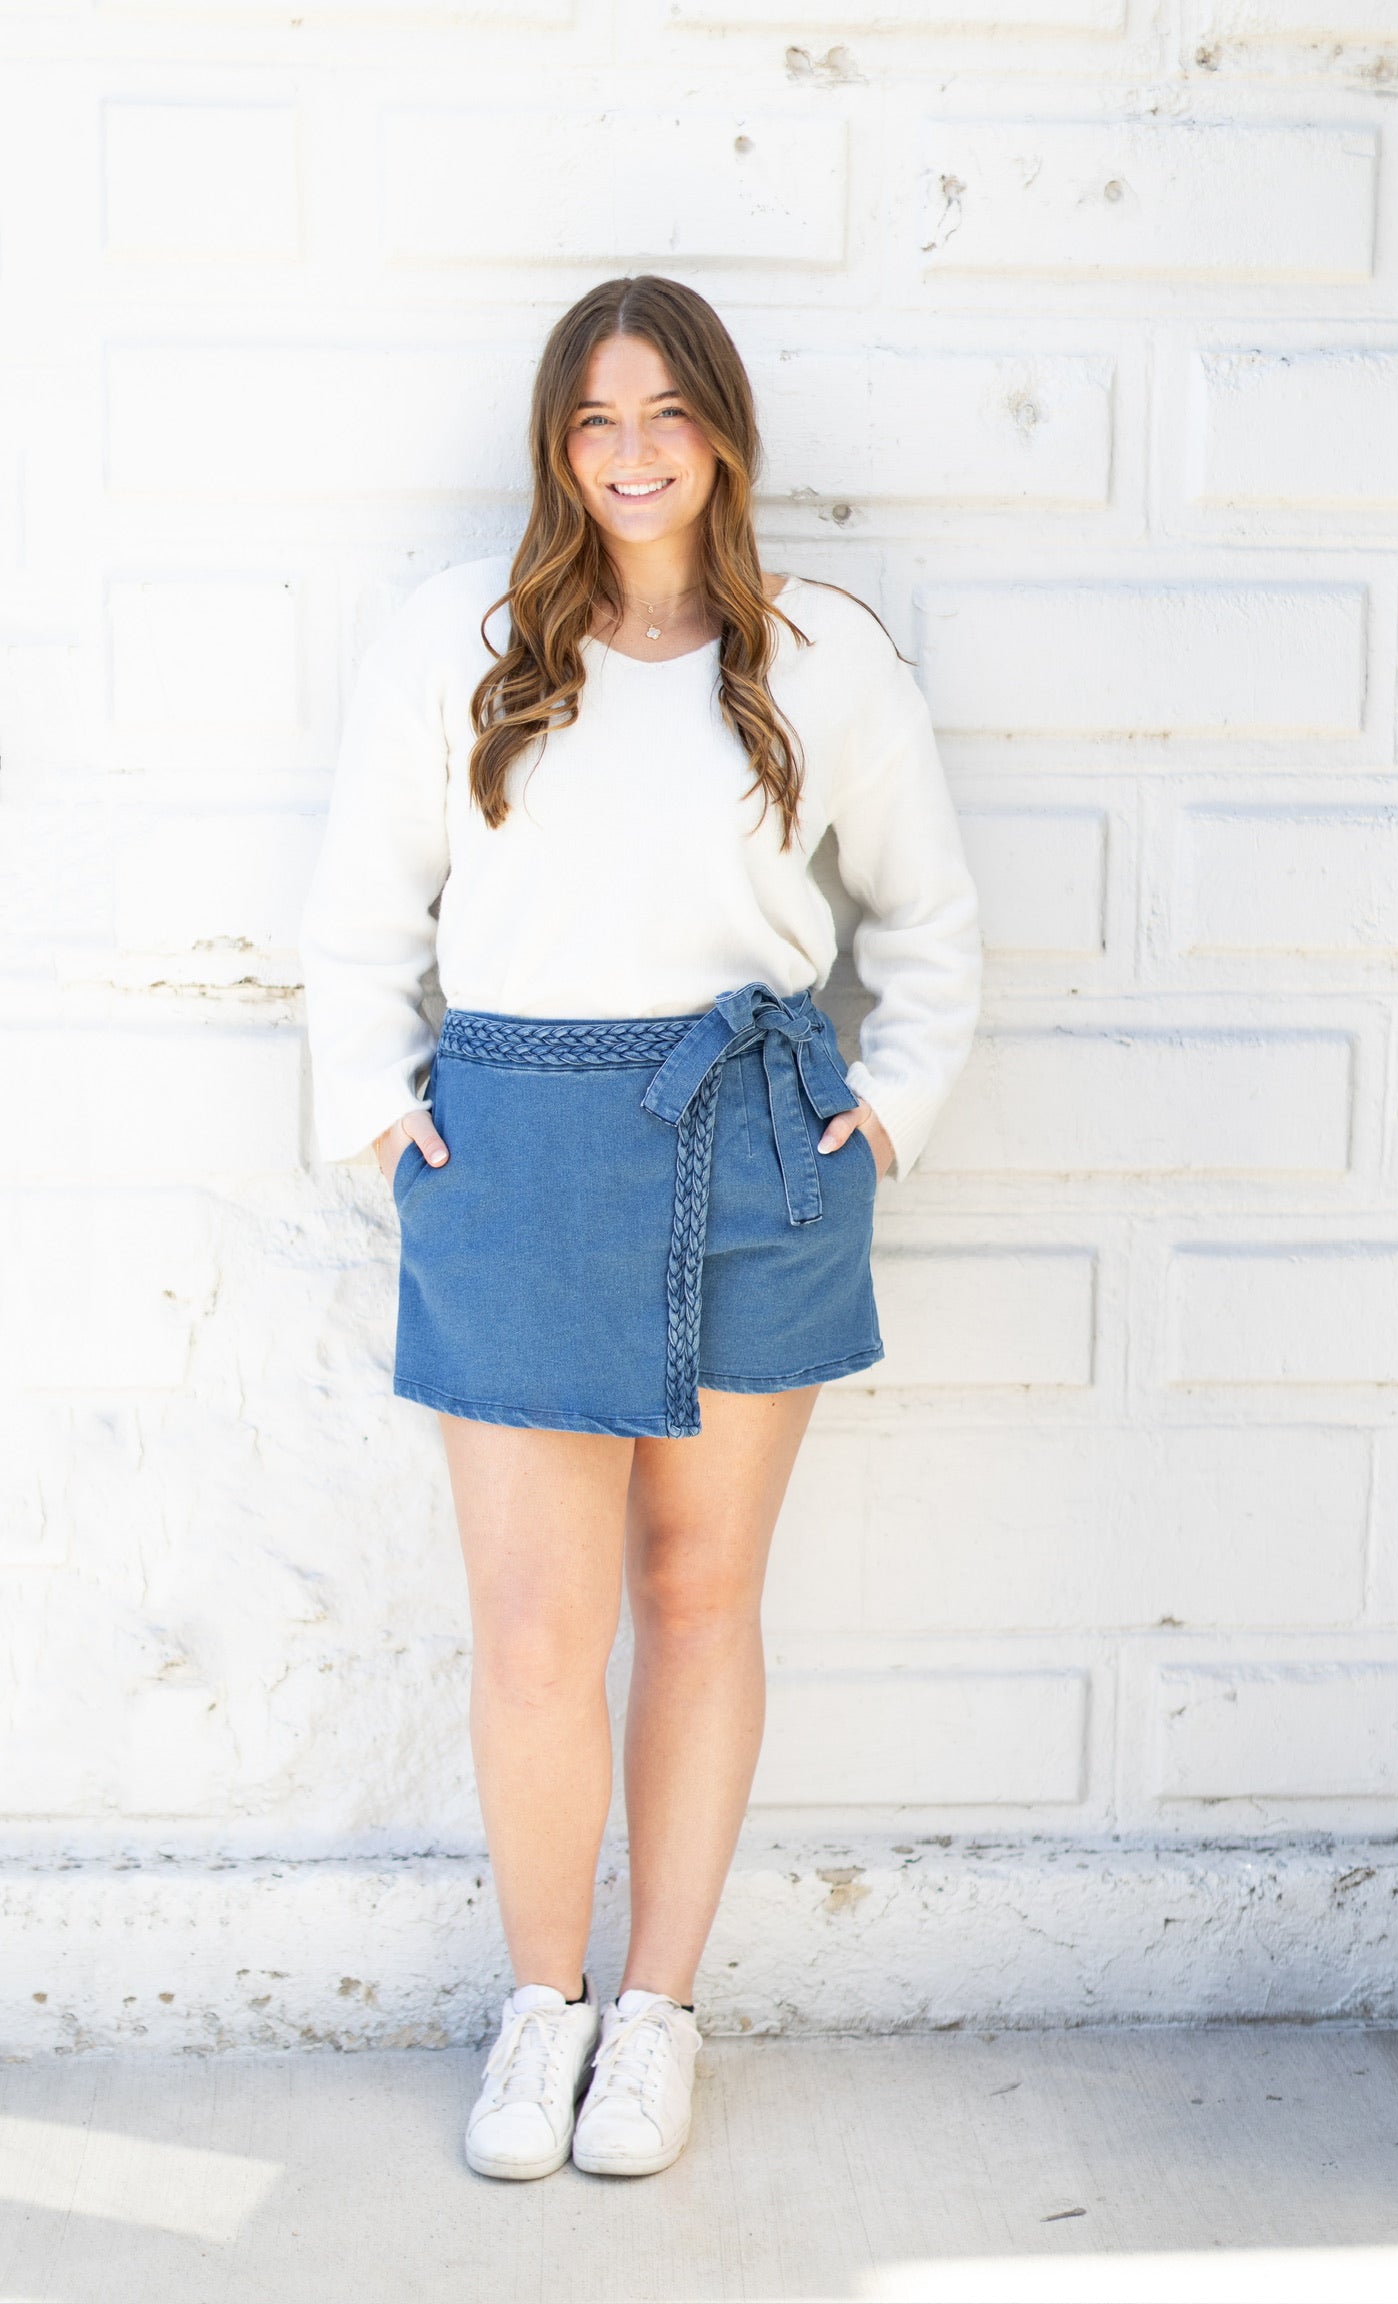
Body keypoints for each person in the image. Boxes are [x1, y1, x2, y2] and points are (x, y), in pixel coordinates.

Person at [299, 274, 981, 2181]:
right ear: (554, 443)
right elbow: (359, 914)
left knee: (698, 1600)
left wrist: (886, 1123)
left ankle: (658, 2012)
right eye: (593, 422)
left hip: (758, 1143)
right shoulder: (466, 637)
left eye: (665, 413)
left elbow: (928, 925)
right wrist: (387, 1121)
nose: (630, 456)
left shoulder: (821, 654)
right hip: (512, 1153)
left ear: (725, 433)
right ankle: (544, 2014)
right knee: (534, 1625)